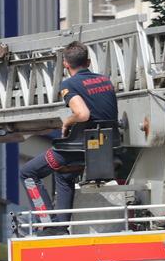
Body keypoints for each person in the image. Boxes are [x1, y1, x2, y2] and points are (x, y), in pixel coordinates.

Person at [20, 40, 118, 219]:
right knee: (64, 175)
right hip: (105, 147)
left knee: (27, 172)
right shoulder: (106, 81)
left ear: (65, 64)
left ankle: (47, 223)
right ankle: (61, 227)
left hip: (77, 148)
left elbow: (82, 114)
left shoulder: (69, 85)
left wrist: (67, 122)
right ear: (88, 62)